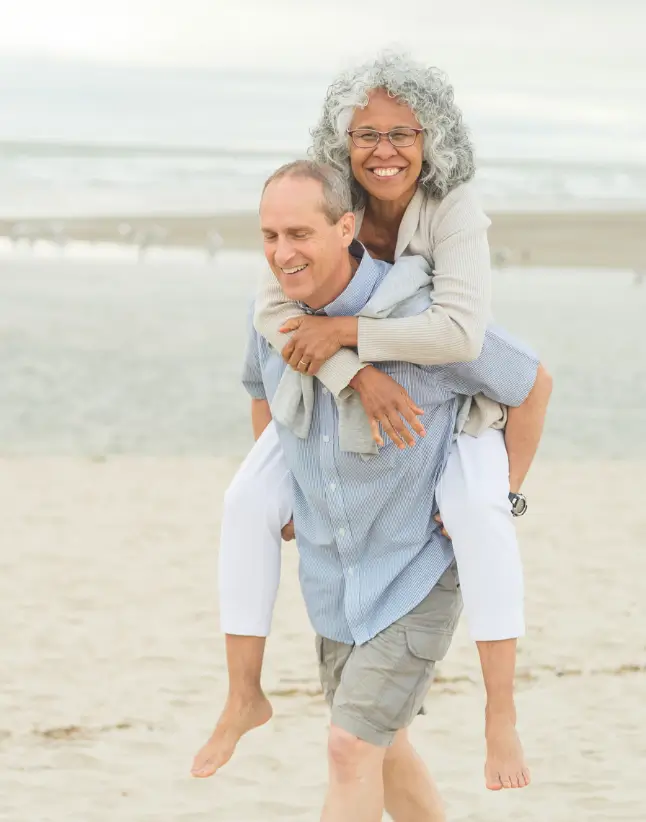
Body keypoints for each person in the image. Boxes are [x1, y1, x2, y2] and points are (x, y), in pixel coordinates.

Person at [192, 54, 553, 791]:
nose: (383, 149)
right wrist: (347, 368)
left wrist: (357, 336)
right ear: (341, 144)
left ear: (432, 138)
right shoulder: (309, 219)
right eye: (365, 134)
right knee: (245, 502)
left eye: (402, 132)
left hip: (441, 393)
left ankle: (501, 713)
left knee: (479, 516)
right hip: (340, 565)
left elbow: (465, 339)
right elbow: (272, 327)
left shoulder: (451, 214)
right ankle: (241, 692)